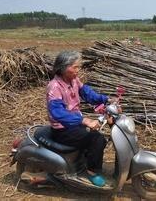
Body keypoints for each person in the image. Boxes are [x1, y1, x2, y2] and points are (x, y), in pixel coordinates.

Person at [46, 51, 111, 187]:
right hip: (63, 129)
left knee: (98, 137)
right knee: (97, 139)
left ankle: (84, 162)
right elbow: (58, 113)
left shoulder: (74, 80)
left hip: (74, 125)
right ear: (64, 68)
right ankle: (92, 172)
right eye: (75, 67)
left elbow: (87, 93)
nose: (78, 70)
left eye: (78, 67)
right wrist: (84, 120)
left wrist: (106, 100)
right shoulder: (55, 87)